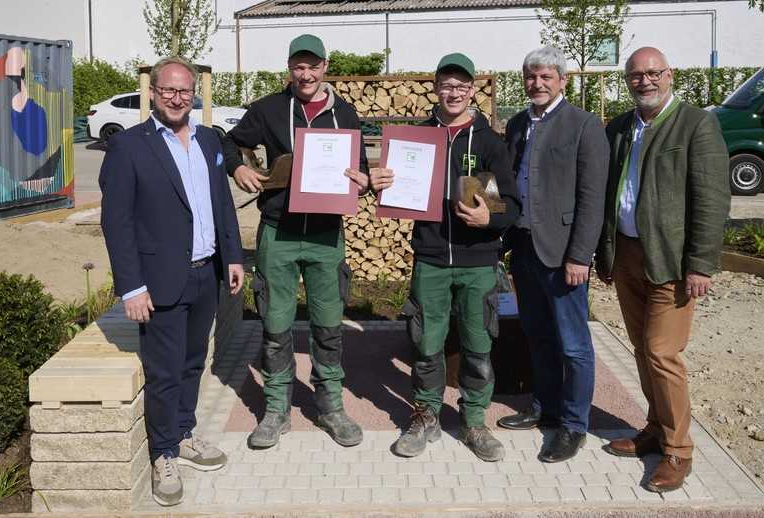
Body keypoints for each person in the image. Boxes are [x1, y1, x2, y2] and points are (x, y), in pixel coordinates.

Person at [100, 56, 244, 506]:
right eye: (168, 91)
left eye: (185, 91)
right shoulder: (129, 146)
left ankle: (184, 433)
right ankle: (163, 453)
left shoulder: (207, 138)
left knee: (192, 363)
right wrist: (131, 286)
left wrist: (234, 258)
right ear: (153, 93)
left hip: (206, 275)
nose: (177, 99)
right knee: (163, 372)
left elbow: (222, 202)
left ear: (194, 93)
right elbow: (116, 222)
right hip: (160, 280)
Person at [222, 34, 369, 449]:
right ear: (290, 68)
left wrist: (361, 180)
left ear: (325, 67)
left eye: (312, 66)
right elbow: (228, 140)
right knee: (275, 325)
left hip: (325, 235)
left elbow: (357, 167)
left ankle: (331, 407)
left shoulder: (344, 113)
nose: (305, 74)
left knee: (328, 326)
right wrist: (238, 170)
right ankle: (275, 410)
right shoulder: (268, 109)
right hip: (278, 231)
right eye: (297, 67)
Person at [371, 53, 519, 461]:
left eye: (461, 86)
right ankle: (425, 416)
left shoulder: (490, 143)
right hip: (432, 258)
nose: (453, 93)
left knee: (477, 346)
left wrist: (492, 215)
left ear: (472, 90)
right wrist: (380, 183)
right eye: (446, 85)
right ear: (434, 88)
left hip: (478, 261)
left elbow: (512, 205)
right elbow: (395, 191)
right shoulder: (415, 140)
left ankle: (474, 422)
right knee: (427, 344)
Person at [595, 47, 730, 492]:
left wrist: (701, 264)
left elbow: (712, 200)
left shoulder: (696, 124)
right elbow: (609, 196)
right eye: (636, 75)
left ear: (669, 74)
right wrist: (606, 254)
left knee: (662, 353)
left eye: (653, 73)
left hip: (671, 261)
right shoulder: (620, 127)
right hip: (629, 255)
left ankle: (679, 449)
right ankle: (654, 429)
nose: (645, 81)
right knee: (640, 348)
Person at [498, 46, 609, 463]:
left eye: (546, 76)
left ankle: (574, 424)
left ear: (563, 80)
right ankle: (545, 408)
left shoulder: (583, 125)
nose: (538, 83)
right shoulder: (517, 123)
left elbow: (592, 197)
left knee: (574, 344)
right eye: (531, 77)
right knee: (538, 335)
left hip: (564, 255)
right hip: (524, 249)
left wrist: (582, 255)